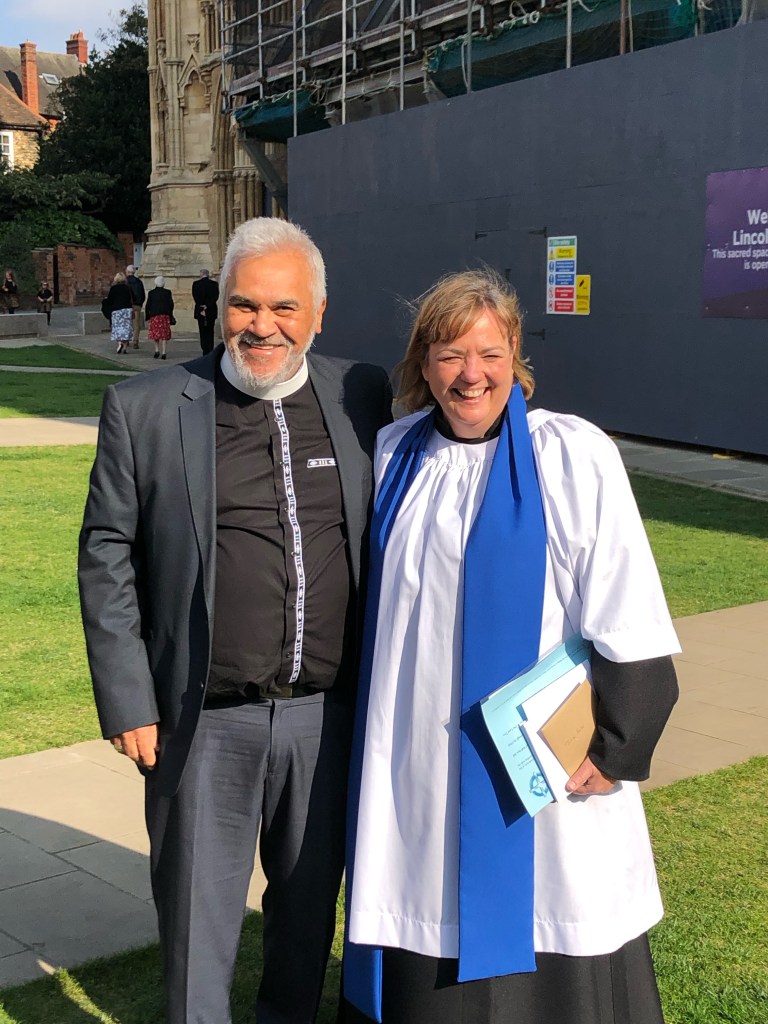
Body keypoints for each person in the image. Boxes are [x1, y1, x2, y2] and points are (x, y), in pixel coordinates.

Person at [342, 269, 681, 1024]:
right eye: (450, 354)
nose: (471, 375)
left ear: (516, 351)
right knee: (421, 894)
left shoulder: (573, 455)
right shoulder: (395, 455)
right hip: (418, 758)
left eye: (489, 353)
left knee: (552, 896)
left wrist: (619, 744)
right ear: (423, 362)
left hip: (541, 762)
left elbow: (625, 600)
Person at [78, 217, 393, 1024]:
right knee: (197, 926)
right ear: (220, 307)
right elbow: (106, 555)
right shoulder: (145, 408)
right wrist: (128, 698)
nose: (263, 326)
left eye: (284, 308)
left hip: (327, 720)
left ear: (318, 313)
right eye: (245, 305)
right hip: (202, 722)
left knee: (307, 919)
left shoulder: (362, 395)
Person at [102, 272, 134, 354]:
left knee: (117, 328)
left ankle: (120, 343)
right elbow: (133, 298)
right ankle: (125, 347)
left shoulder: (113, 288)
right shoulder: (128, 288)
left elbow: (110, 300)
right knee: (126, 328)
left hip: (117, 310)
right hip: (127, 310)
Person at [145, 275, 174, 359]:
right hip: (164, 315)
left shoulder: (151, 293)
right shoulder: (167, 292)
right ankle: (164, 352)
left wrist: (147, 316)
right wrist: (170, 314)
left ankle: (157, 350)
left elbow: (148, 305)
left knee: (156, 334)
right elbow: (171, 304)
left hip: (155, 316)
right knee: (164, 334)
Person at [192, 267, 220, 354]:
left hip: (200, 310)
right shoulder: (214, 284)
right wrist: (207, 306)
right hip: (211, 310)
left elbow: (195, 297)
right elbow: (215, 296)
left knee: (202, 331)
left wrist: (202, 306)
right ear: (208, 275)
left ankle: (204, 349)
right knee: (210, 330)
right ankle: (210, 348)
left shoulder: (196, 284)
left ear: (201, 274)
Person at [126, 264, 146, 348]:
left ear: (127, 272)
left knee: (127, 323)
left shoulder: (125, 282)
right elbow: (143, 294)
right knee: (136, 324)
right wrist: (140, 303)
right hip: (137, 305)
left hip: (127, 305)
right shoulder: (139, 282)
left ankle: (126, 340)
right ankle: (135, 341)